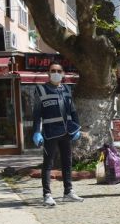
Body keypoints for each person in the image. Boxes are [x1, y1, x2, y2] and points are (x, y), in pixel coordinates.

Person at [32, 61, 83, 206]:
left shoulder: (67, 89)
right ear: (48, 73)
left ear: (63, 74)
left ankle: (68, 192)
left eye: (59, 71)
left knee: (67, 162)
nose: (56, 73)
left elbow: (73, 111)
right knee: (48, 164)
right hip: (49, 133)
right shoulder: (40, 90)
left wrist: (77, 128)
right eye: (53, 70)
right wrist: (36, 131)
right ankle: (47, 195)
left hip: (67, 132)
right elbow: (37, 113)